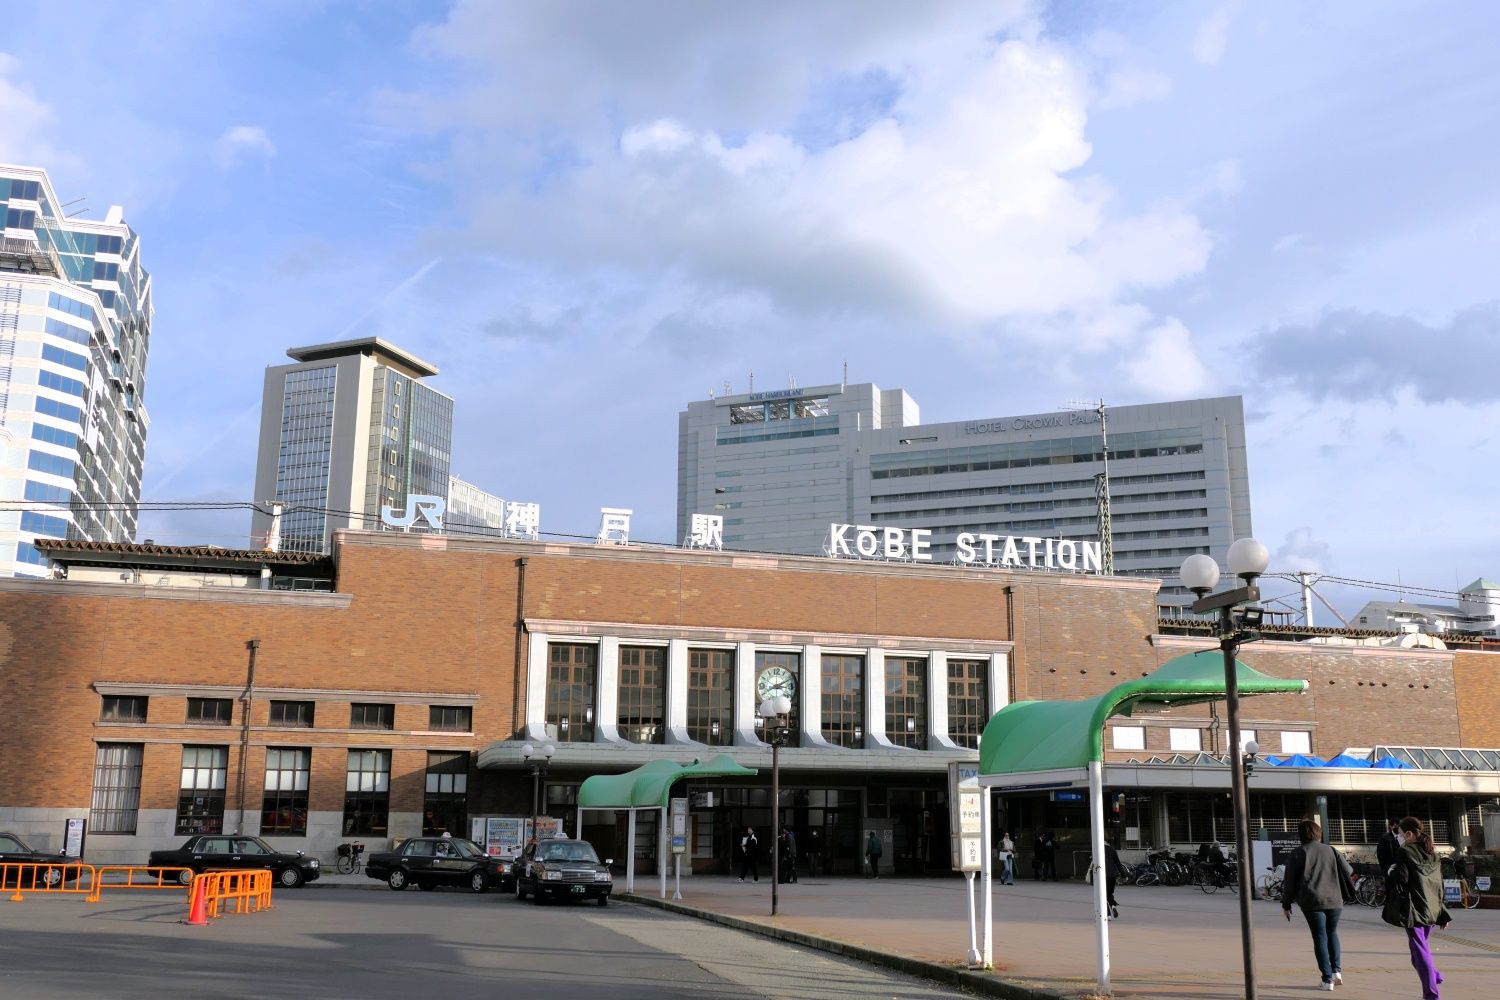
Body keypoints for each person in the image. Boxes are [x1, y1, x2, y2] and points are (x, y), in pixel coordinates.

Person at [1281, 818, 1354, 992]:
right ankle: (1337, 972)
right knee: (1332, 933)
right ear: (1318, 833)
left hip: (1312, 901)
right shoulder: (1331, 850)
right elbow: (1349, 871)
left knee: (1319, 937)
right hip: (1335, 900)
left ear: (1301, 835)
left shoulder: (1298, 853)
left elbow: (1289, 883)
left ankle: (1326, 979)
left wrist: (1286, 903)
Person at [1391, 816, 1452, 1000]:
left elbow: (1401, 878)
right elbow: (1438, 884)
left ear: (1409, 834)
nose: (1399, 837)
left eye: (1400, 834)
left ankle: (1431, 994)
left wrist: (1391, 871)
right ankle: (1434, 977)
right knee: (1418, 953)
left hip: (1415, 909)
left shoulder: (1405, 851)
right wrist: (1442, 913)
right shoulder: (1432, 853)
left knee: (1419, 951)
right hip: (1432, 909)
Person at [1103, 840, 1122, 919]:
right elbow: (1118, 863)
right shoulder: (1112, 850)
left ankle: (1108, 915)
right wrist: (1124, 875)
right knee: (1109, 894)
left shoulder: (1098, 849)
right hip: (1112, 876)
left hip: (1102, 876)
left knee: (1103, 895)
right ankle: (1113, 906)